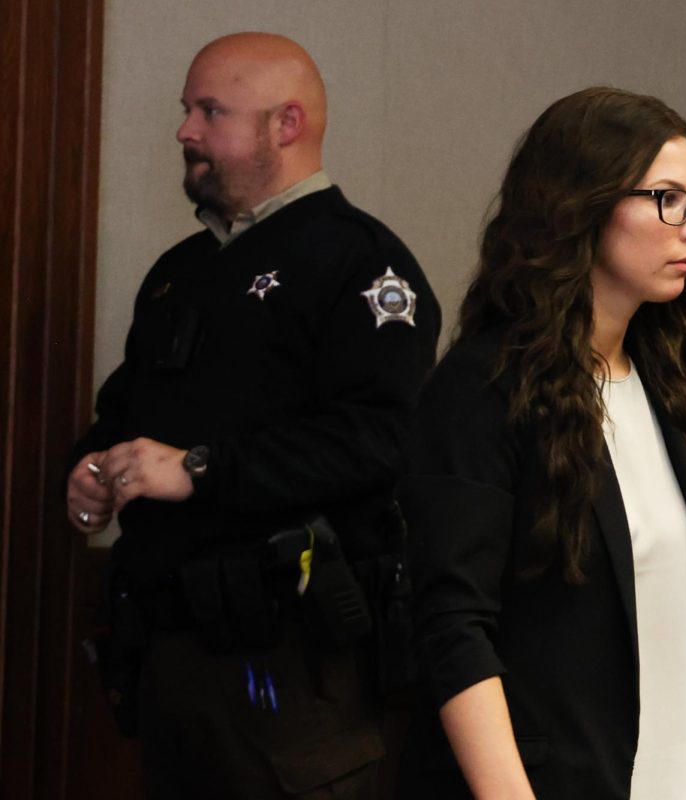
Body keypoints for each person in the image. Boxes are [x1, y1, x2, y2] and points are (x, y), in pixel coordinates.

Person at [64, 32, 440, 798]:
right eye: (186, 110)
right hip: (173, 654)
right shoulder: (182, 273)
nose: (184, 131)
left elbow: (378, 440)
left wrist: (201, 470)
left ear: (286, 125)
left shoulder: (360, 263)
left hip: (294, 666)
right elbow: (127, 408)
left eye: (210, 111)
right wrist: (92, 466)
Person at [400, 87, 686, 799]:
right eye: (668, 199)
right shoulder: (481, 388)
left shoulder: (665, 383)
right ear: (580, 205)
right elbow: (451, 626)